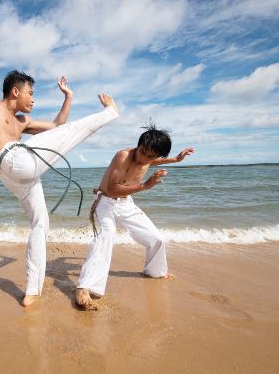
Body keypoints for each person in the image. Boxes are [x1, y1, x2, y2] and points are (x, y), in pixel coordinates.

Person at [0, 70, 118, 306]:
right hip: (12, 165)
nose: (33, 99)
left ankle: (32, 290)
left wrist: (68, 97)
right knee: (68, 134)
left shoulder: (22, 122)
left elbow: (57, 125)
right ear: (15, 91)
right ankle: (110, 113)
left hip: (20, 173)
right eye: (30, 93)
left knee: (40, 224)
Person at [75, 123, 194, 310]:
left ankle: (155, 272)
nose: (144, 158)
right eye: (142, 152)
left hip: (126, 203)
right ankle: (84, 288)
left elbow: (151, 161)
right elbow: (113, 189)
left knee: (157, 239)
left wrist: (176, 160)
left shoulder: (148, 159)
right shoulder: (123, 156)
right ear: (138, 146)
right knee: (105, 237)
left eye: (151, 156)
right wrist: (146, 185)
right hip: (105, 202)